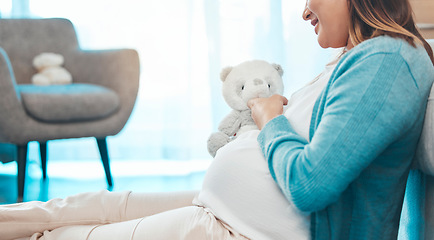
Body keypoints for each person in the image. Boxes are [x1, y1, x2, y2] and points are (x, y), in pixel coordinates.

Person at [1, 0, 434, 239]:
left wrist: (268, 118)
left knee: (60, 235)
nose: (304, 11)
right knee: (75, 207)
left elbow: (310, 182)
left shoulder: (389, 59)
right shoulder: (358, 57)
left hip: (238, 230)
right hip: (218, 208)